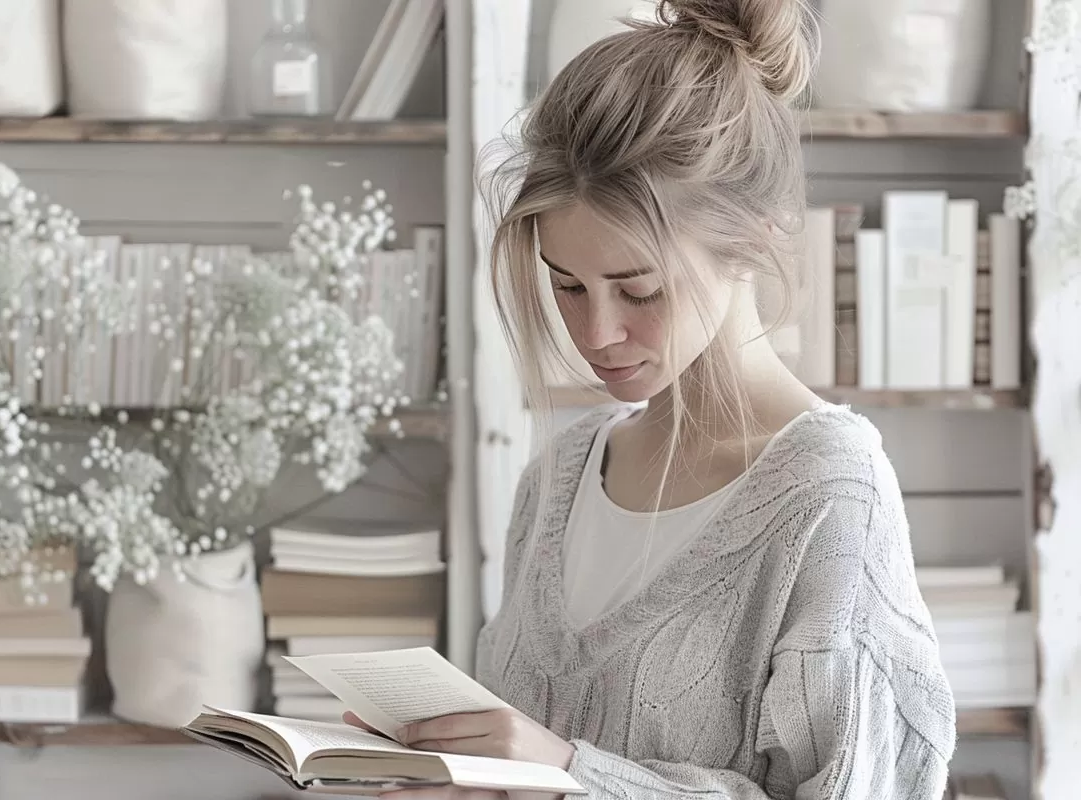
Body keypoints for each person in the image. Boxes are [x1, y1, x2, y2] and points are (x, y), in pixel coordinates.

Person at [348, 1, 957, 797]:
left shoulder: (828, 497)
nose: (596, 333)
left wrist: (572, 775)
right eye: (566, 286)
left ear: (755, 240)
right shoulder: (561, 477)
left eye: (639, 289)